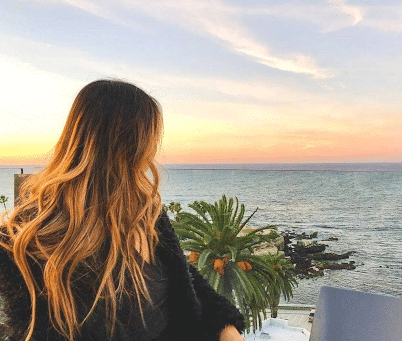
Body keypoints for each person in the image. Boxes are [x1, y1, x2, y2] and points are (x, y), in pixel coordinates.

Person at [0, 80, 246, 341]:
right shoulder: (27, 244)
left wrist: (226, 327)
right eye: (151, 138)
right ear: (133, 144)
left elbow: (185, 281)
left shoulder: (147, 213)